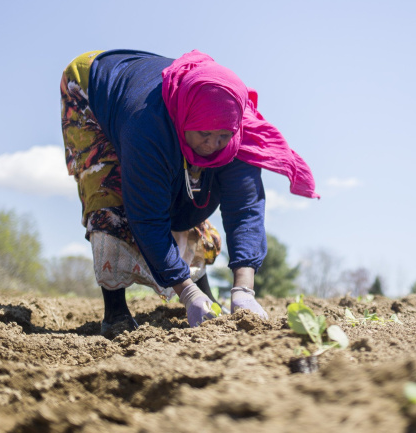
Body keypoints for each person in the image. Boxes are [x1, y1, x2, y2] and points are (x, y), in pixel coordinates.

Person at [60, 49, 318, 336]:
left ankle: (208, 295)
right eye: (204, 134)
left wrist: (244, 289)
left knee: (192, 192)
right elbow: (147, 216)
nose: (211, 145)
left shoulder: (237, 129)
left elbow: (244, 209)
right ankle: (116, 312)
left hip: (165, 106)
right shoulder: (147, 126)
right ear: (185, 121)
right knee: (109, 195)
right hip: (90, 87)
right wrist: (187, 294)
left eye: (222, 137)